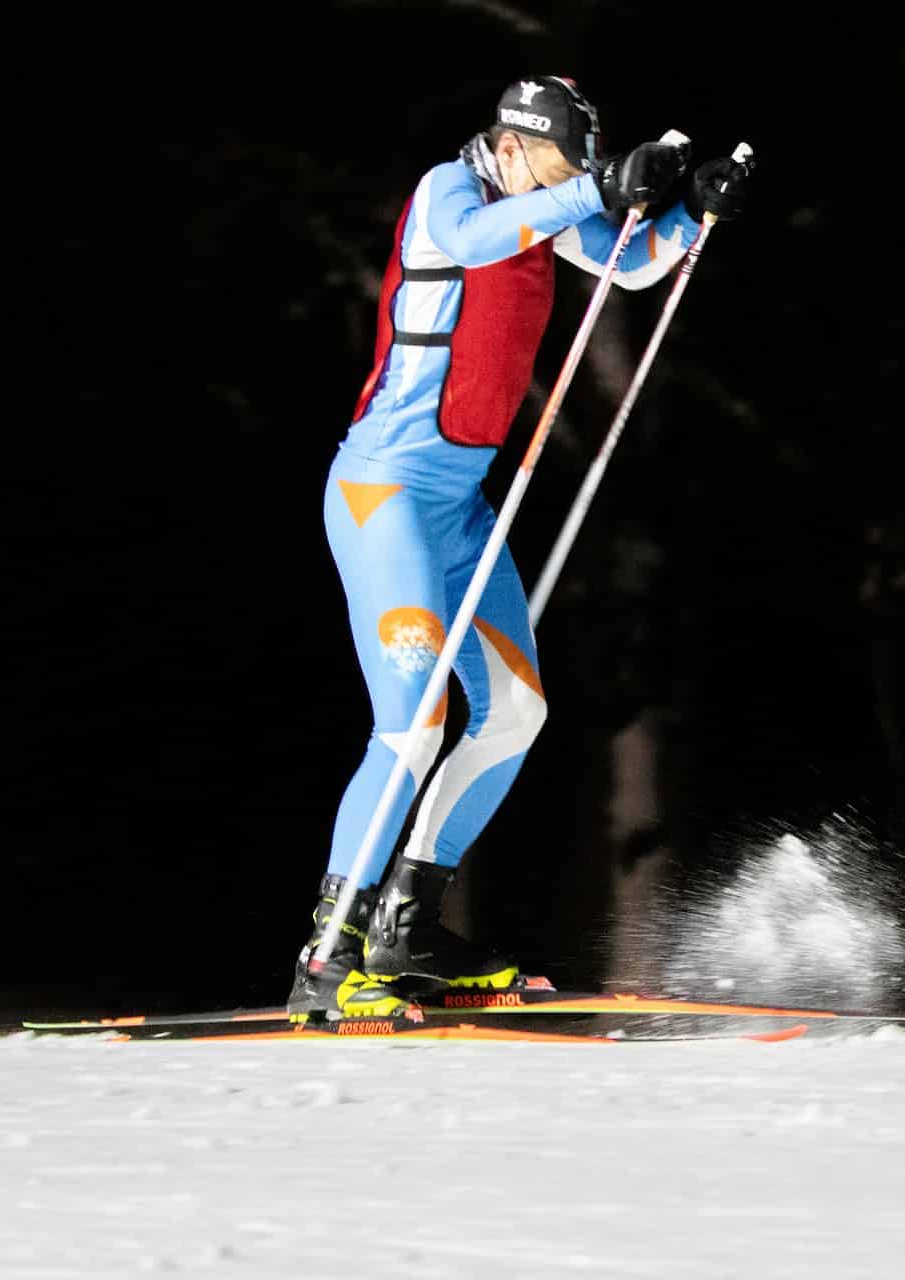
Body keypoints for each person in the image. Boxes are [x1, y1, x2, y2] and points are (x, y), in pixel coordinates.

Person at [288, 75, 754, 1021]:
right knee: (412, 725)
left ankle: (407, 931)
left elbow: (628, 263)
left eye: (578, 168)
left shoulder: (543, 204)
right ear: (512, 144)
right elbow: (469, 244)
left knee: (512, 713)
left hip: (460, 512)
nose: (568, 179)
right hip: (385, 497)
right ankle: (326, 961)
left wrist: (691, 214)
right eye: (558, 161)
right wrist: (598, 187)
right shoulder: (447, 192)